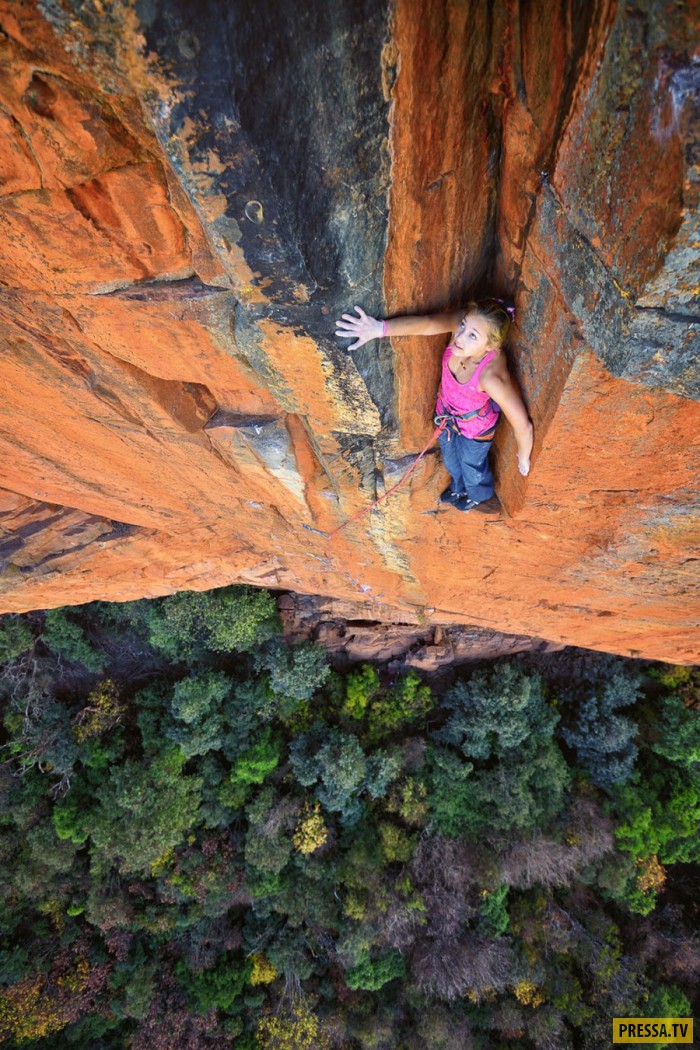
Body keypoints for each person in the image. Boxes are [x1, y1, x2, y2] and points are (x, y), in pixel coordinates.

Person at [335, 301, 534, 512]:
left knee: (471, 465)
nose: (460, 336)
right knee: (450, 459)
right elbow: (427, 324)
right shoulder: (461, 333)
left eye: (473, 336)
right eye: (463, 326)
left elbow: (523, 425)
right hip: (446, 416)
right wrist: (380, 329)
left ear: (490, 346)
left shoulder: (490, 377)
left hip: (475, 429)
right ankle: (458, 488)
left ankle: (477, 495)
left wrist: (523, 456)